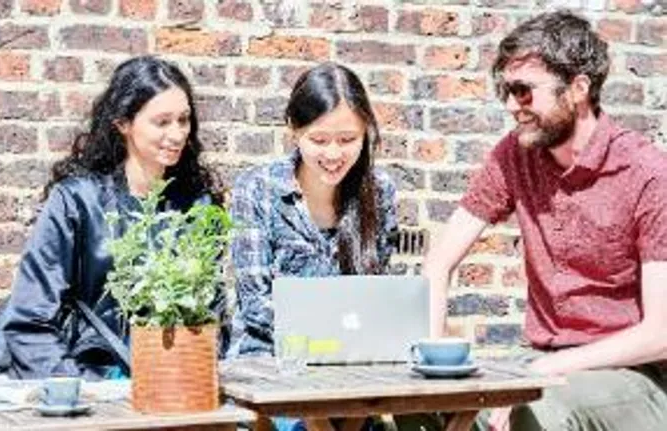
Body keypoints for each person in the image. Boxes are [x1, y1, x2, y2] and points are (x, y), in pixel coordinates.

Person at [420, 10, 667, 431]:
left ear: (578, 88)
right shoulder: (515, 156)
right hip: (547, 362)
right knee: (425, 406)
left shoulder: (647, 174)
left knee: (540, 410)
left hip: (637, 375)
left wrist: (548, 371)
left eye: (524, 91)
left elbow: (660, 332)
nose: (513, 106)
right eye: (506, 90)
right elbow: (438, 262)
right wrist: (431, 356)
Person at [0, 56, 225, 379]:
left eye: (184, 120)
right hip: (79, 374)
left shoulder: (196, 206)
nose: (177, 134)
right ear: (123, 123)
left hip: (164, 384)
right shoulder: (76, 200)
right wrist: (74, 390)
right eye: (162, 122)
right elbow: (29, 319)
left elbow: (208, 313)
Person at [226, 62, 399, 431]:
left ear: (366, 132)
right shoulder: (257, 189)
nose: (334, 154)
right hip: (270, 366)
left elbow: (376, 299)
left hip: (353, 374)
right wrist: (325, 350)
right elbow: (257, 305)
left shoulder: (378, 191)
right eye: (319, 140)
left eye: (348, 140)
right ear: (294, 130)